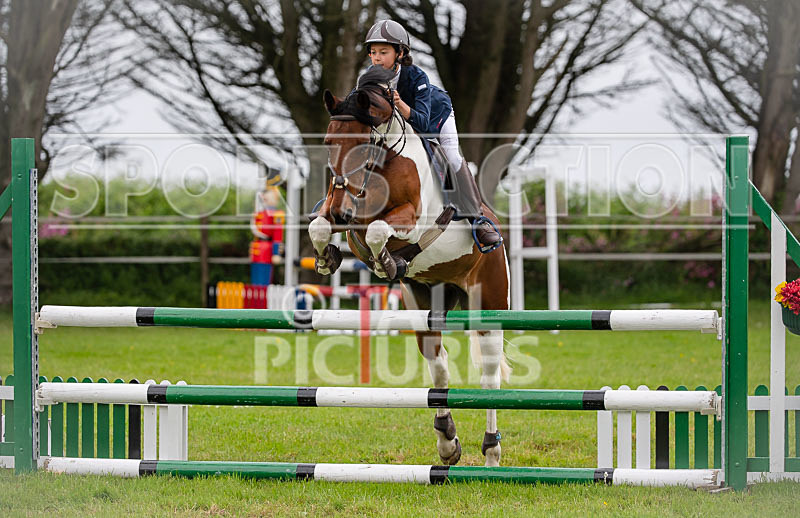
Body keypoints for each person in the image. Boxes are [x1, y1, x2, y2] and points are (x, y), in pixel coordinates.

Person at [363, 20, 503, 253]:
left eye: (383, 52)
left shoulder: (417, 77)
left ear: (400, 53)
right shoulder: (370, 76)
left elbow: (423, 123)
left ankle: (477, 220)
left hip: (436, 118)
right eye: (373, 53)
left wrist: (399, 103)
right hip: (401, 127)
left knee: (452, 158)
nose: (377, 58)